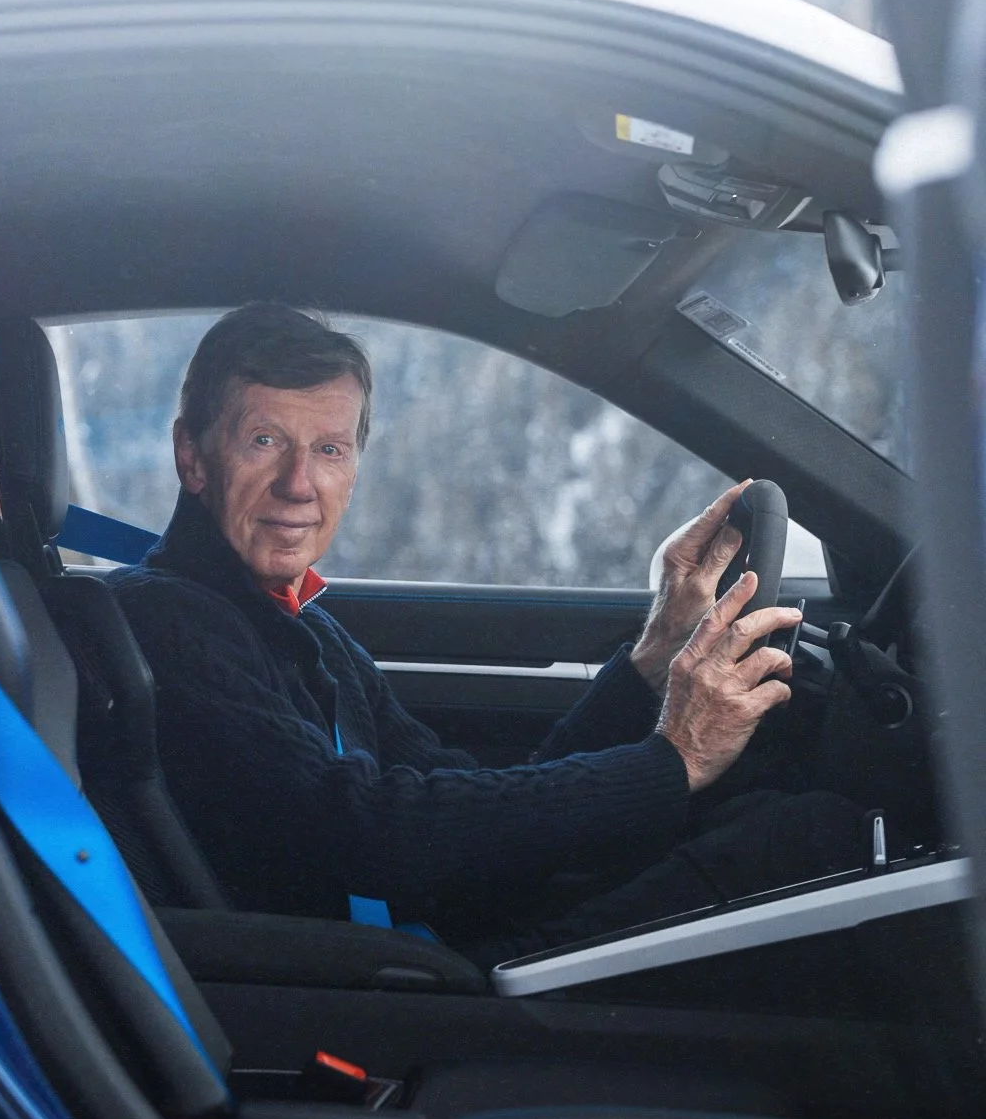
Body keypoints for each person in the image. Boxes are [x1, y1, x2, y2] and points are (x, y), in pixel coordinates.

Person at [110, 302, 860, 966]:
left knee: (767, 820)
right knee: (810, 842)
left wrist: (654, 658)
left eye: (331, 450)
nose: (300, 485)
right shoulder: (167, 622)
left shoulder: (305, 631)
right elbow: (374, 838)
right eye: (267, 441)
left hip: (411, 955)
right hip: (373, 998)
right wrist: (675, 760)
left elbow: (465, 805)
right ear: (192, 457)